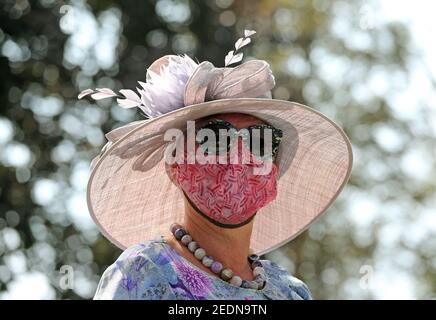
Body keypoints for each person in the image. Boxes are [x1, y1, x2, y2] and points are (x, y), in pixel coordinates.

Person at [79, 30, 352, 300]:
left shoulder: (291, 292)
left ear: (275, 170)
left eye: (261, 142)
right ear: (175, 165)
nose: (241, 156)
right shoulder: (142, 273)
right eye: (217, 139)